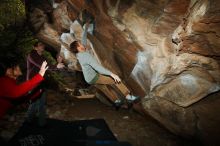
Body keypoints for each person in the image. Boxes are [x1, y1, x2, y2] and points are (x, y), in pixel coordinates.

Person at [70, 41, 139, 107]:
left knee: (104, 88)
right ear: (78, 48)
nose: (82, 44)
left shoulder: (78, 54)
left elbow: (83, 41)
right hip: (94, 77)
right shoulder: (86, 55)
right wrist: (112, 74)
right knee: (115, 80)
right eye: (80, 44)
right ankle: (128, 96)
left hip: (88, 79)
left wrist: (85, 29)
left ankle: (116, 101)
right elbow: (97, 67)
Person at [26, 41, 65, 126]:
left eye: (43, 44)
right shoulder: (32, 55)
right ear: (35, 48)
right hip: (33, 84)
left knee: (42, 104)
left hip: (41, 83)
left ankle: (42, 124)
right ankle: (28, 122)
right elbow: (42, 66)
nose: (43, 46)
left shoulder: (43, 57)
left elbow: (50, 67)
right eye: (40, 45)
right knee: (34, 103)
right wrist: (56, 66)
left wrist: (58, 63)